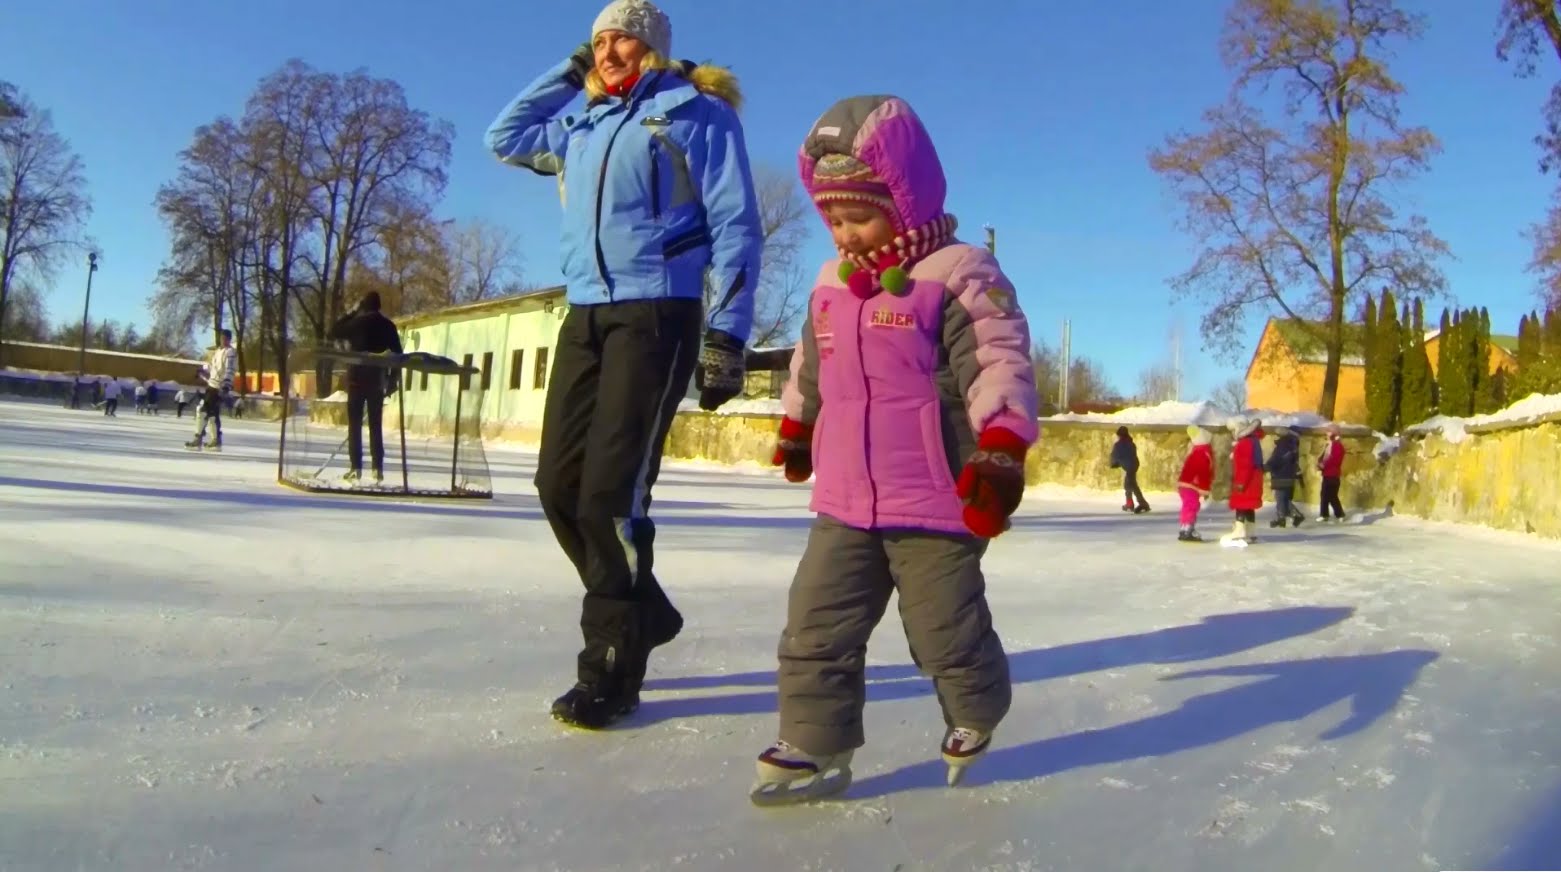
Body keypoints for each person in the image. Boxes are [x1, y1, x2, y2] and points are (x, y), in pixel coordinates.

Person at [484, 0, 764, 729]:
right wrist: (570, 70)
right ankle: (644, 609)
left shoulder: (695, 114)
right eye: (599, 41)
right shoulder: (583, 122)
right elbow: (503, 137)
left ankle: (611, 668)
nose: (609, 52)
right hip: (585, 315)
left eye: (624, 40)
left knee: (610, 496)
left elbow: (737, 224)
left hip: (657, 314)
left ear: (655, 49)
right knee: (557, 486)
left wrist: (728, 335)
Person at [756, 94, 1037, 805]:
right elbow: (811, 364)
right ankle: (814, 743)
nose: (846, 234)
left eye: (860, 216)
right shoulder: (830, 282)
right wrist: (798, 425)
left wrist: (1001, 445)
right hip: (845, 495)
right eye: (834, 220)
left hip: (937, 496)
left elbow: (996, 359)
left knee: (944, 631)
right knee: (815, 623)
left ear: (903, 202)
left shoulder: (957, 272)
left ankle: (975, 709)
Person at [328, 291, 403, 484]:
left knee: (354, 425)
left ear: (364, 306)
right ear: (379, 306)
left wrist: (352, 312)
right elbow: (398, 355)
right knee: (375, 425)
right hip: (377, 380)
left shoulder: (357, 324)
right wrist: (392, 380)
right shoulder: (388, 326)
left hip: (356, 380)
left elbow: (334, 331)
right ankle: (377, 467)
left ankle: (356, 467)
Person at [186, 330, 236, 451]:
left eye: (226, 338)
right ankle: (214, 440)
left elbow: (230, 369)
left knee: (203, 410)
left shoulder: (230, 352)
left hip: (219, 387)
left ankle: (200, 439)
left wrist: (227, 384)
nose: (223, 340)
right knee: (212, 413)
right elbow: (212, 366)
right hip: (211, 385)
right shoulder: (218, 351)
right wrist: (202, 370)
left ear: (229, 339)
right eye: (222, 338)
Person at [1222, 416, 1266, 547]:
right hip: (1253, 480)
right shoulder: (1252, 441)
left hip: (1247, 481)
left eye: (1233, 430)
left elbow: (1244, 465)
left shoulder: (1245, 443)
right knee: (1248, 506)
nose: (1232, 433)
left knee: (1241, 505)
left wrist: (1240, 482)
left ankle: (1239, 530)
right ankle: (1250, 531)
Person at [1176, 425, 1214, 542]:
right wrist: (1205, 489)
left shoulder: (1195, 451)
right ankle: (1188, 528)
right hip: (1192, 485)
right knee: (1192, 505)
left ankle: (1184, 527)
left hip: (1185, 484)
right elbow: (1203, 473)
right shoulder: (1203, 453)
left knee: (1187, 506)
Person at [1265, 425, 1306, 528]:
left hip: (1281, 474)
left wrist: (1267, 466)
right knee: (1284, 498)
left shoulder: (1285, 444)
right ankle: (1287, 517)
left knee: (1281, 498)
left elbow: (1279, 459)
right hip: (1288, 474)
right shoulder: (1293, 444)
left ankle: (1285, 517)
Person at [1109, 425, 1149, 513]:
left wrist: (1113, 464)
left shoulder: (1119, 445)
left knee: (1131, 485)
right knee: (1129, 484)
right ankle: (1133, 503)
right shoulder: (1131, 443)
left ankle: (1139, 503)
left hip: (1129, 467)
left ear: (1119, 435)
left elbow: (1114, 456)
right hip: (1134, 465)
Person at [1316, 423, 1347, 521]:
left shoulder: (1337, 445)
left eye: (1329, 431)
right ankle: (1326, 514)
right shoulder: (1329, 445)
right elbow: (1325, 457)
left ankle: (1337, 514)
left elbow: (1334, 460)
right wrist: (1320, 463)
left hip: (1333, 474)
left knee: (1330, 495)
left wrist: (1323, 465)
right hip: (1327, 473)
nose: (1327, 433)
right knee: (1326, 495)